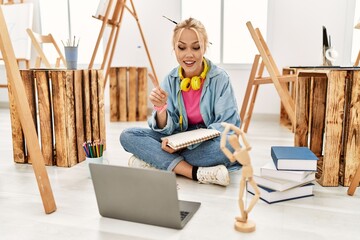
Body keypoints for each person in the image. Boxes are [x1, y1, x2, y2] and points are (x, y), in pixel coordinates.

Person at [120, 17, 240, 186]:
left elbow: (228, 125)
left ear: (205, 47)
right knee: (128, 136)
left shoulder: (220, 79)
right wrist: (161, 110)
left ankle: (158, 162)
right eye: (182, 48)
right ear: (174, 49)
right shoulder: (170, 80)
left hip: (204, 142)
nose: (188, 54)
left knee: (229, 145)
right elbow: (167, 128)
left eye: (196, 47)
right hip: (176, 139)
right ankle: (195, 172)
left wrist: (185, 144)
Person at [220, 122, 259, 232]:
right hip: (248, 169)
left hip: (246, 171)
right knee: (250, 194)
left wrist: (226, 131)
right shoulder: (244, 149)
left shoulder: (236, 155)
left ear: (232, 144)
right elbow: (241, 133)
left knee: (243, 195)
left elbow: (223, 147)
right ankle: (244, 214)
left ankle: (245, 213)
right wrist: (230, 126)